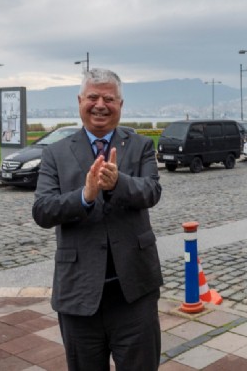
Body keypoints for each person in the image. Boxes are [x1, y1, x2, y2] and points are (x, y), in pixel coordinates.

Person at [32, 68, 163, 371]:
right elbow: (43, 210)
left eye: (109, 98)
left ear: (121, 104)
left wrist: (119, 182)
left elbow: (151, 191)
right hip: (79, 295)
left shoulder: (140, 145)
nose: (100, 104)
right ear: (80, 101)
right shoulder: (55, 153)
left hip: (134, 292)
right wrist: (84, 197)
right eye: (93, 97)